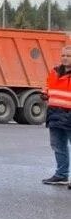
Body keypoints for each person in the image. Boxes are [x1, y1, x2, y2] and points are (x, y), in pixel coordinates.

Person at [43, 43, 71, 185]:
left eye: (68, 56)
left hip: (69, 114)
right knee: (58, 146)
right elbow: (48, 86)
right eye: (63, 55)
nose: (65, 58)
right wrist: (44, 93)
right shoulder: (54, 72)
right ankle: (61, 175)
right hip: (55, 113)